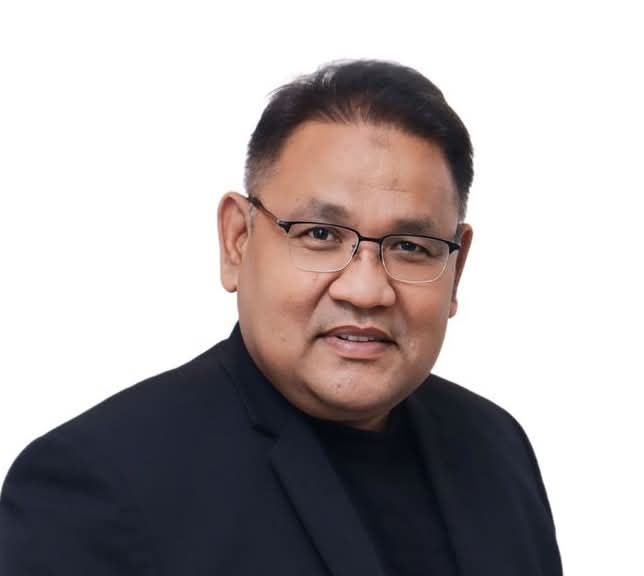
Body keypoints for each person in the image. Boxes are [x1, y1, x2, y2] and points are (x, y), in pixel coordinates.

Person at [0, 60, 562, 575]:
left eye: (411, 247)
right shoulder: (98, 485)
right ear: (237, 240)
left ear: (455, 271)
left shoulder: (496, 447)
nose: (367, 290)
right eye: (320, 234)